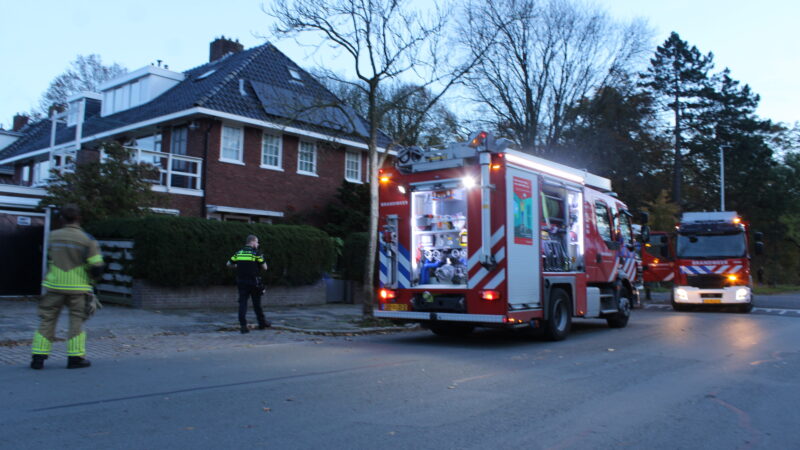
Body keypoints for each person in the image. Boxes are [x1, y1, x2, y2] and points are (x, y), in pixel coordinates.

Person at [31, 204, 104, 370]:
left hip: (54, 286)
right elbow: (97, 266)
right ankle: (75, 358)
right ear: (79, 218)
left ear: (61, 218)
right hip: (78, 288)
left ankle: (38, 357)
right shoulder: (88, 239)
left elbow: (45, 256)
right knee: (76, 322)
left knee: (47, 320)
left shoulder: (51, 236)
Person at [227, 234, 270, 333]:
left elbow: (228, 264)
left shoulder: (239, 253)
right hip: (254, 282)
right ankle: (262, 323)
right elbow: (265, 267)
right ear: (252, 242)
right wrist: (261, 259)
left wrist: (237, 266)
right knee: (257, 304)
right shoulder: (256, 253)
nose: (258, 244)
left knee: (242, 304)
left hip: (241, 282)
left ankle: (243, 326)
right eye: (257, 242)